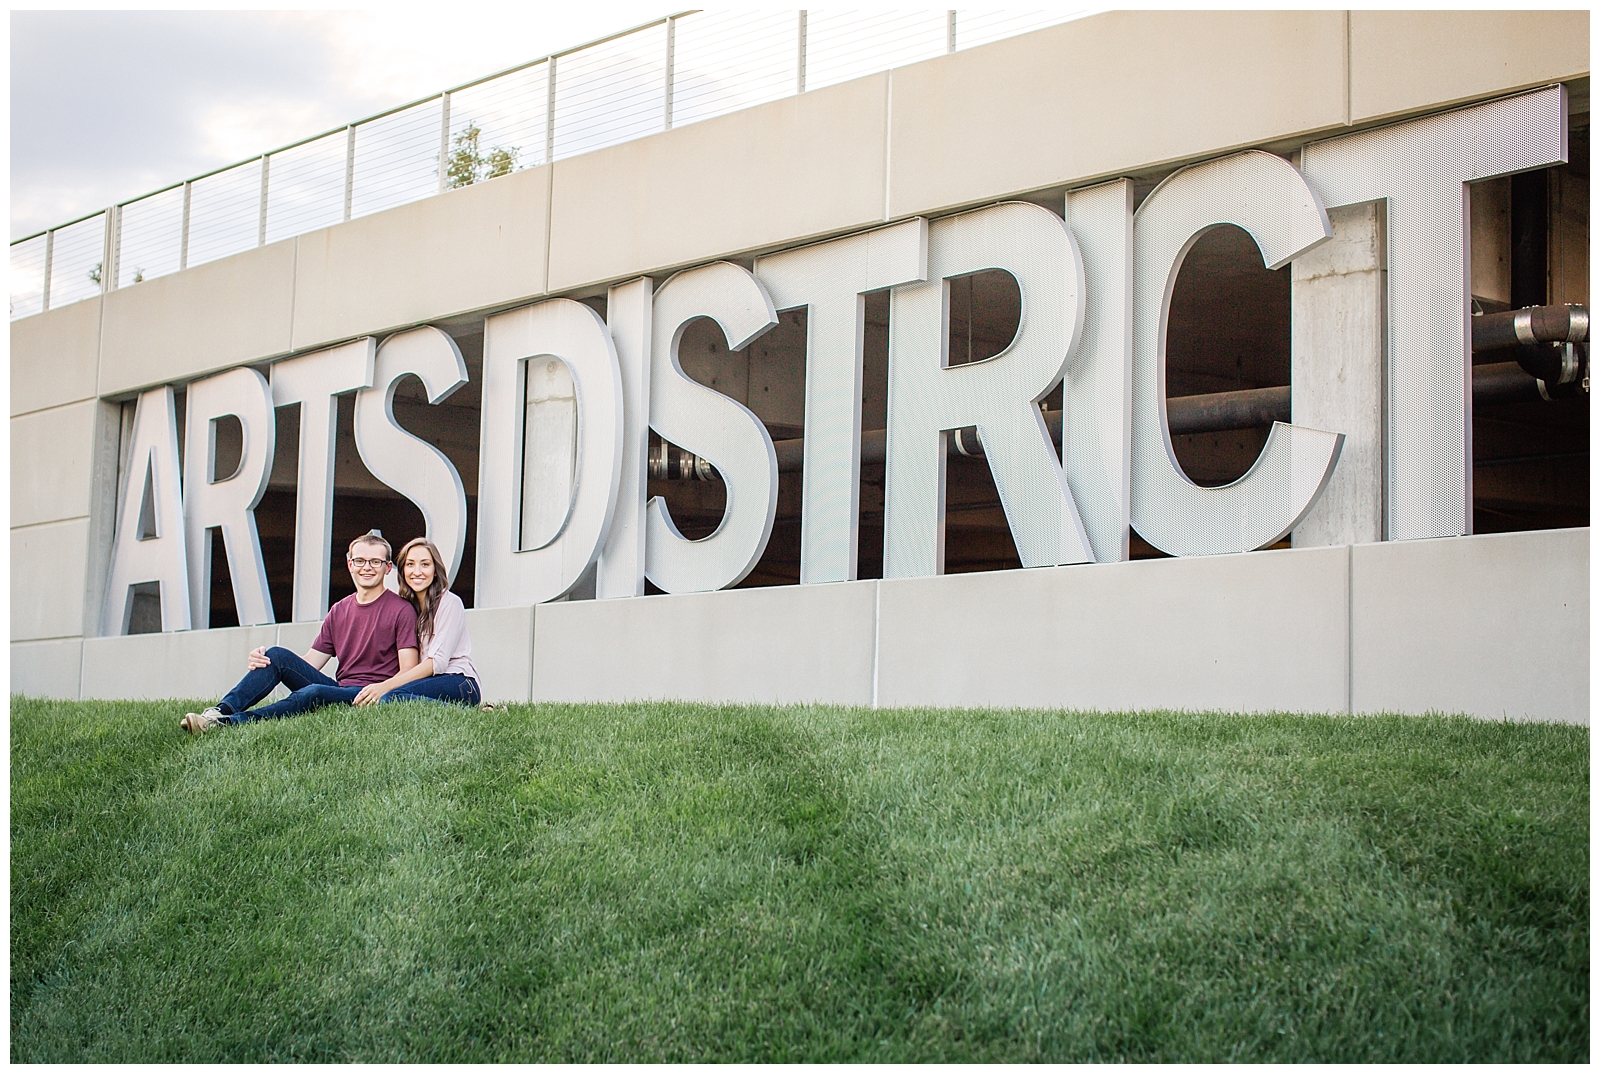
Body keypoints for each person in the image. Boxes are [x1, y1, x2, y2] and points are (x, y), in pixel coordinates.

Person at [179, 533, 419, 733]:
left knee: (313, 692)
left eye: (375, 562)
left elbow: (409, 670)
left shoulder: (401, 610)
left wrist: (380, 690)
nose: (367, 567)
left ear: (388, 568)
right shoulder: (339, 610)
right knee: (275, 655)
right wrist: (266, 661)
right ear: (349, 564)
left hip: (371, 693)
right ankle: (222, 711)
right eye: (360, 561)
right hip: (341, 688)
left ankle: (227, 725)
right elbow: (309, 664)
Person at [353, 536, 482, 708]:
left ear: (435, 570)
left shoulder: (450, 602)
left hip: (460, 681)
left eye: (425, 564)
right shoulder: (405, 608)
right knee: (390, 699)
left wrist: (386, 685)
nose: (417, 571)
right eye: (410, 564)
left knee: (392, 697)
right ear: (403, 570)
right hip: (427, 682)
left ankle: (471, 713)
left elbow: (438, 662)